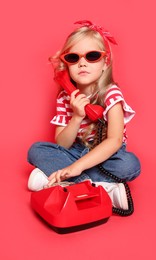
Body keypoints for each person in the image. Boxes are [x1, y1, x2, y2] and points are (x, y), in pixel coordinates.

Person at [27, 20, 141, 211]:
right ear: (67, 65)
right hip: (75, 151)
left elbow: (114, 141)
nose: (82, 63)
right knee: (36, 150)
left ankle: (59, 179)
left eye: (92, 56)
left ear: (105, 63)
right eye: (73, 58)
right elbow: (62, 144)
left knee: (130, 164)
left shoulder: (111, 94)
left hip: (108, 154)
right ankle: (98, 187)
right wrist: (77, 116)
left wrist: (77, 167)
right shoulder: (65, 97)